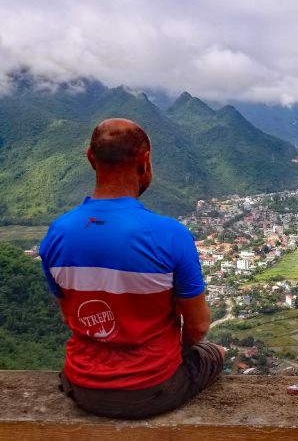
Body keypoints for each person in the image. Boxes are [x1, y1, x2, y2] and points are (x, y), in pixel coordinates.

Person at [38, 118, 224, 419]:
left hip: (81, 387)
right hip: (152, 389)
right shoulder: (169, 234)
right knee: (215, 353)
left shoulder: (56, 234)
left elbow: (68, 313)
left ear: (90, 158)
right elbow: (198, 327)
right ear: (145, 160)